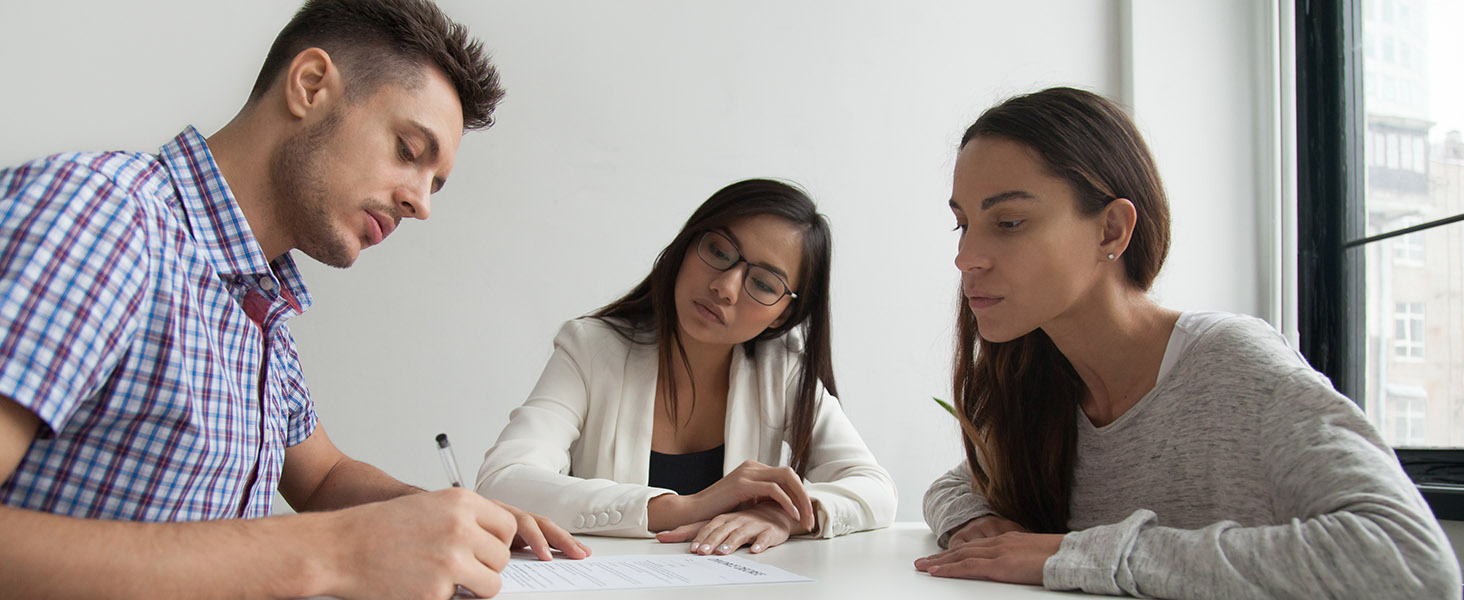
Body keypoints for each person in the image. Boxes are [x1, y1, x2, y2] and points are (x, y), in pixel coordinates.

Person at [0, 1, 586, 597]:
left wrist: (455, 518)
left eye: (434, 184)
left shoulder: (257, 302)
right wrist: (338, 551)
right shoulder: (104, 217)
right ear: (310, 86)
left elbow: (323, 477)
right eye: (409, 150)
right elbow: (326, 530)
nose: (421, 204)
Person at [913, 87, 1461, 598]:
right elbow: (955, 485)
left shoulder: (1232, 367)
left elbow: (1411, 563)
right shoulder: (1043, 381)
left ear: (1111, 230)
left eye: (1008, 222)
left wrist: (1076, 554)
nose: (967, 258)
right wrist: (973, 521)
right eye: (962, 225)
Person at [476, 179, 896, 555]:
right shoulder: (590, 348)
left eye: (764, 283)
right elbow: (503, 481)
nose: (725, 287)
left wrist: (786, 515)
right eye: (718, 250)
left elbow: (877, 491)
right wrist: (684, 508)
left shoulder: (782, 373)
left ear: (784, 315)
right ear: (687, 244)